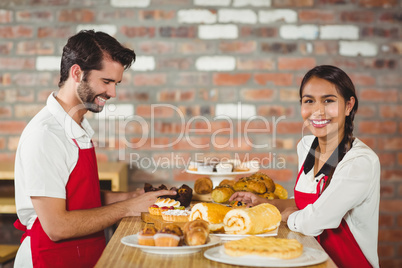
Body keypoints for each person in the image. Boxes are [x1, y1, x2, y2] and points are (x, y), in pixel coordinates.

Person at [13, 30, 175, 268]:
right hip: (49, 259)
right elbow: (57, 226)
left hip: (83, 255)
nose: (113, 93)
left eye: (116, 83)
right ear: (77, 73)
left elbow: (77, 198)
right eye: (107, 82)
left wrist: (132, 197)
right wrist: (128, 208)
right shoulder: (46, 134)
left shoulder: (76, 126)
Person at [230, 65, 380, 268]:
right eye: (309, 101)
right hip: (311, 259)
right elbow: (310, 204)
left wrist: (288, 217)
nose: (317, 111)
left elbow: (314, 220)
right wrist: (266, 203)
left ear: (348, 105)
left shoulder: (360, 161)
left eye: (328, 101)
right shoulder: (307, 146)